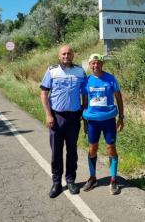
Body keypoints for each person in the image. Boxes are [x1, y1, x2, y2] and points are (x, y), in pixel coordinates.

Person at [40, 44, 86, 198]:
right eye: (63, 54)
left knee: (72, 151)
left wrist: (83, 111)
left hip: (74, 117)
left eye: (69, 54)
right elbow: (44, 94)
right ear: (59, 56)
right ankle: (56, 183)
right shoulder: (52, 71)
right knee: (56, 152)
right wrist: (48, 115)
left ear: (73, 55)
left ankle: (71, 180)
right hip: (57, 117)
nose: (66, 56)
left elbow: (85, 93)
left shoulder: (80, 71)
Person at [82, 53, 124, 195]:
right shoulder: (86, 81)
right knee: (92, 149)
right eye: (93, 63)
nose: (96, 65)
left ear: (102, 64)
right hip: (93, 121)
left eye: (98, 63)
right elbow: (85, 103)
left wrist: (121, 117)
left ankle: (113, 180)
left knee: (111, 149)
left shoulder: (110, 79)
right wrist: (85, 122)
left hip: (108, 121)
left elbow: (118, 97)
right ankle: (93, 177)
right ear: (89, 65)